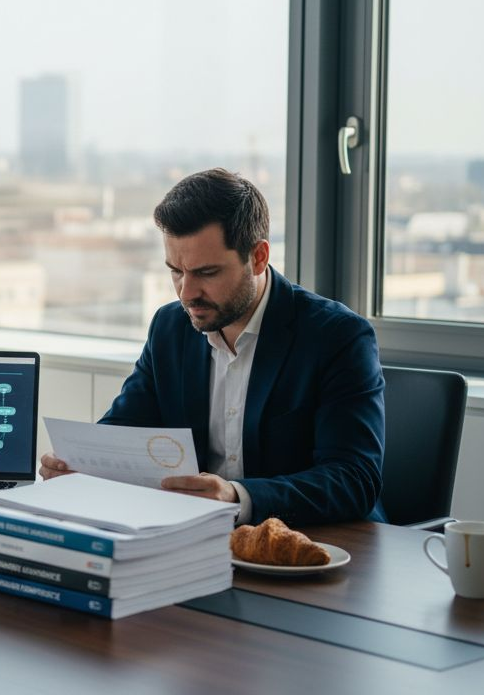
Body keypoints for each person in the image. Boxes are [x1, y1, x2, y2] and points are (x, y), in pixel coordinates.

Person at [40, 168, 384, 526]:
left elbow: (354, 479)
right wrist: (80, 465)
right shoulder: (170, 328)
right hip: (199, 537)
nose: (186, 293)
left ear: (258, 257)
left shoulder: (337, 336)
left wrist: (237, 497)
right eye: (176, 271)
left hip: (318, 542)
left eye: (206, 273)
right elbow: (125, 431)